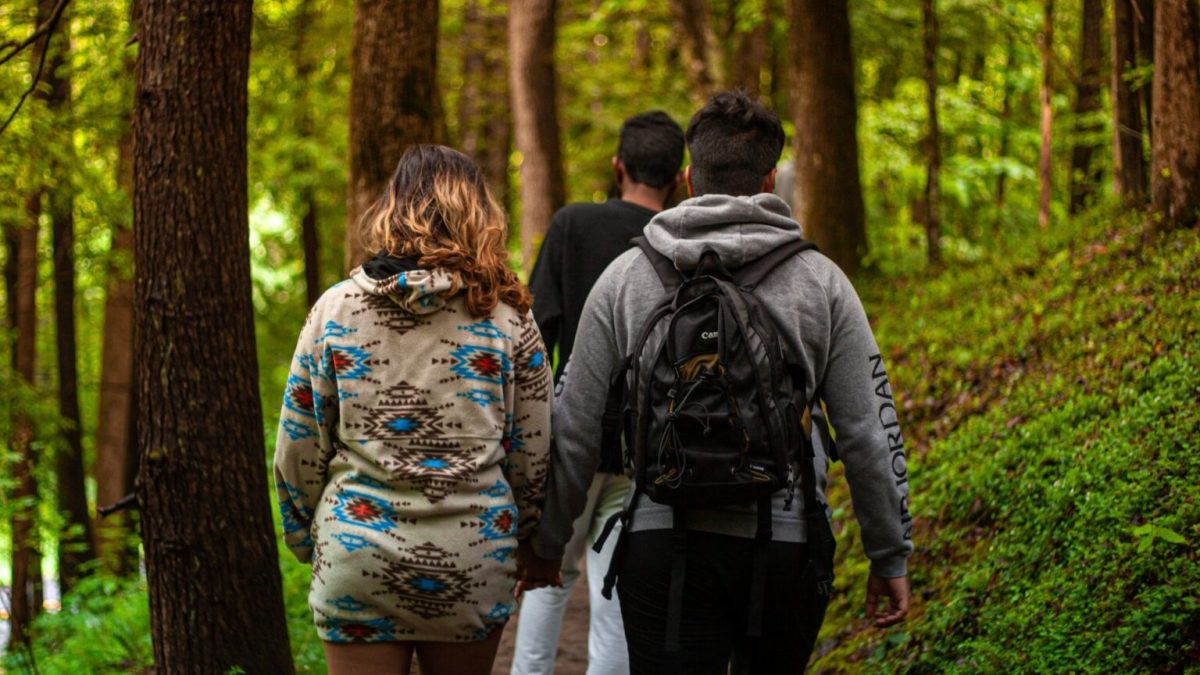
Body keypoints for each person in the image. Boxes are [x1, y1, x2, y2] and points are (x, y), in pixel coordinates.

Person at [528, 91, 914, 673]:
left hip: (661, 544)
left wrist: (548, 543)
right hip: (787, 544)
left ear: (689, 177)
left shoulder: (628, 277)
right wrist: (889, 556)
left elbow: (576, 422)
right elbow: (867, 430)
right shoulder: (822, 282)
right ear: (770, 179)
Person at [273, 145, 554, 675]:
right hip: (472, 558)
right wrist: (523, 535)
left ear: (393, 207)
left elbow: (298, 445)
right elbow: (533, 455)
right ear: (479, 214)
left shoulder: (335, 309)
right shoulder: (510, 317)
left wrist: (309, 536)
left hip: (357, 552)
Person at [512, 111, 686, 675]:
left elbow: (536, 337)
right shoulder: (681, 242)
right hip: (649, 453)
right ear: (682, 177)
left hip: (571, 441)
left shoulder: (572, 225)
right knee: (613, 600)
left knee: (546, 581)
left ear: (618, 166)